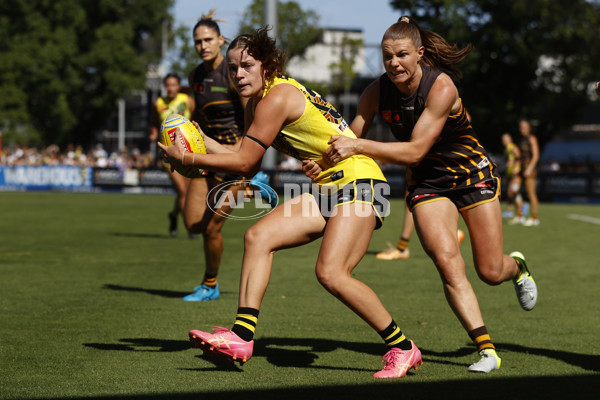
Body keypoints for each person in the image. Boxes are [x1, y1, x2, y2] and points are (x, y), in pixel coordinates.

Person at [159, 26, 423, 379]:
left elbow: (240, 163)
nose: (238, 74)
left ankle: (403, 348)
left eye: (246, 66)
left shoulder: (277, 98)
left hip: (361, 184)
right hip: (331, 186)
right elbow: (247, 160)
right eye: (233, 68)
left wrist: (191, 161)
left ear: (267, 66)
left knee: (331, 273)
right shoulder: (259, 102)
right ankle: (241, 337)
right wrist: (203, 141)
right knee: (258, 237)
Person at [308, 16, 537, 373]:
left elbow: (414, 150)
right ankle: (487, 349)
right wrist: (323, 162)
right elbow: (352, 135)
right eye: (387, 57)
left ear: (420, 54)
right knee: (446, 260)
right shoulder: (375, 92)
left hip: (470, 173)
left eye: (401, 55)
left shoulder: (441, 88)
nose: (394, 64)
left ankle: (518, 267)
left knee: (491, 271)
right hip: (428, 183)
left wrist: (357, 148)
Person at [181, 11, 276, 302]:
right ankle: (250, 190)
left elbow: (253, 117)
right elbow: (200, 115)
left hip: (235, 157)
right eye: (198, 41)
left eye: (208, 39)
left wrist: (246, 156)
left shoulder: (235, 71)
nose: (203, 45)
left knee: (211, 227)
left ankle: (210, 285)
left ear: (220, 40)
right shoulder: (196, 75)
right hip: (208, 155)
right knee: (194, 225)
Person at [150, 73, 196, 238]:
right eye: (168, 85)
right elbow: (155, 123)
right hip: (168, 154)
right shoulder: (158, 103)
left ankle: (174, 215)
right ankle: (190, 227)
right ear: (165, 86)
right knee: (183, 192)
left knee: (186, 193)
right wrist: (154, 133)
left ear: (178, 86)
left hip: (188, 152)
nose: (171, 88)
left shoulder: (188, 100)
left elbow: (197, 120)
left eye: (174, 85)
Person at [509, 119, 540, 226]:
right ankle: (520, 215)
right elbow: (519, 156)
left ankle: (534, 218)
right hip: (521, 169)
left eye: (524, 127)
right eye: (521, 127)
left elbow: (536, 156)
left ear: (529, 128)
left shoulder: (532, 138)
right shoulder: (520, 140)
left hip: (529, 170)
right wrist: (515, 166)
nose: (522, 129)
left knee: (531, 193)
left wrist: (529, 169)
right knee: (514, 189)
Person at [501, 132, 522, 219]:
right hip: (509, 174)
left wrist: (516, 167)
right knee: (510, 193)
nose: (504, 141)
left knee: (513, 191)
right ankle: (513, 212)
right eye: (503, 140)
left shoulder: (512, 147)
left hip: (516, 173)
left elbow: (519, 157)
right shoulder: (506, 149)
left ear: (510, 140)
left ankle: (521, 211)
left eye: (506, 139)